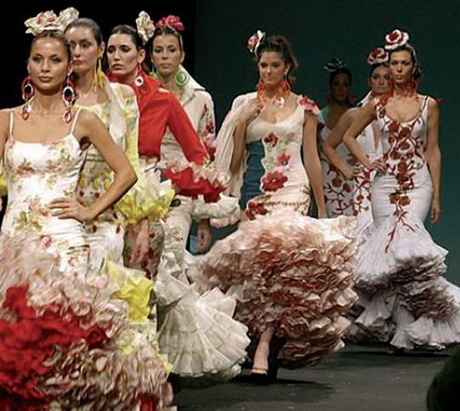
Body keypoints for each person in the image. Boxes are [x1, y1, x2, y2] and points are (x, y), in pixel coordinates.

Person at [0, 9, 169, 409]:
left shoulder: (84, 120)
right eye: (38, 59)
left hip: (65, 241)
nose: (46, 67)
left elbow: (126, 172)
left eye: (55, 59)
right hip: (14, 243)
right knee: (17, 340)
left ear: (68, 65)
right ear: (27, 64)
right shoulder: (5, 121)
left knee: (65, 340)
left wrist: (91, 209)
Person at [199, 31, 357, 382]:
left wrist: (321, 207)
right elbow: (236, 159)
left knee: (282, 270)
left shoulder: (305, 108)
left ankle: (264, 346)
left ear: (287, 67)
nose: (268, 71)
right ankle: (257, 341)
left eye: (274, 65)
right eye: (263, 65)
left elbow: (312, 157)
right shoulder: (245, 104)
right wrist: (242, 122)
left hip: (292, 190)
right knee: (258, 273)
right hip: (255, 194)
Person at [106, 13, 249, 383]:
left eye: (124, 49)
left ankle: (146, 370)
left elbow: (200, 153)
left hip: (156, 198)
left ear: (140, 56)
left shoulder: (165, 99)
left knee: (153, 284)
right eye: (111, 50)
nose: (115, 57)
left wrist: (178, 185)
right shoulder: (94, 96)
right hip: (103, 199)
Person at [342, 29, 460, 351]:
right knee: (392, 255)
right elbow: (349, 136)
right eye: (393, 63)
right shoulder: (377, 104)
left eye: (404, 63)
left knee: (409, 246)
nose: (397, 69)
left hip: (418, 182)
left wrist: (436, 194)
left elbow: (433, 150)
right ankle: (405, 328)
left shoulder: (428, 105)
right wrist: (368, 161)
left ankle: (410, 327)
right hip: (384, 184)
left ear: (413, 67)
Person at [318, 58, 356, 217]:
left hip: (353, 175)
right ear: (330, 87)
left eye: (345, 84)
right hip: (327, 177)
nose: (341, 89)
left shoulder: (358, 115)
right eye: (337, 84)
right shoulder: (319, 115)